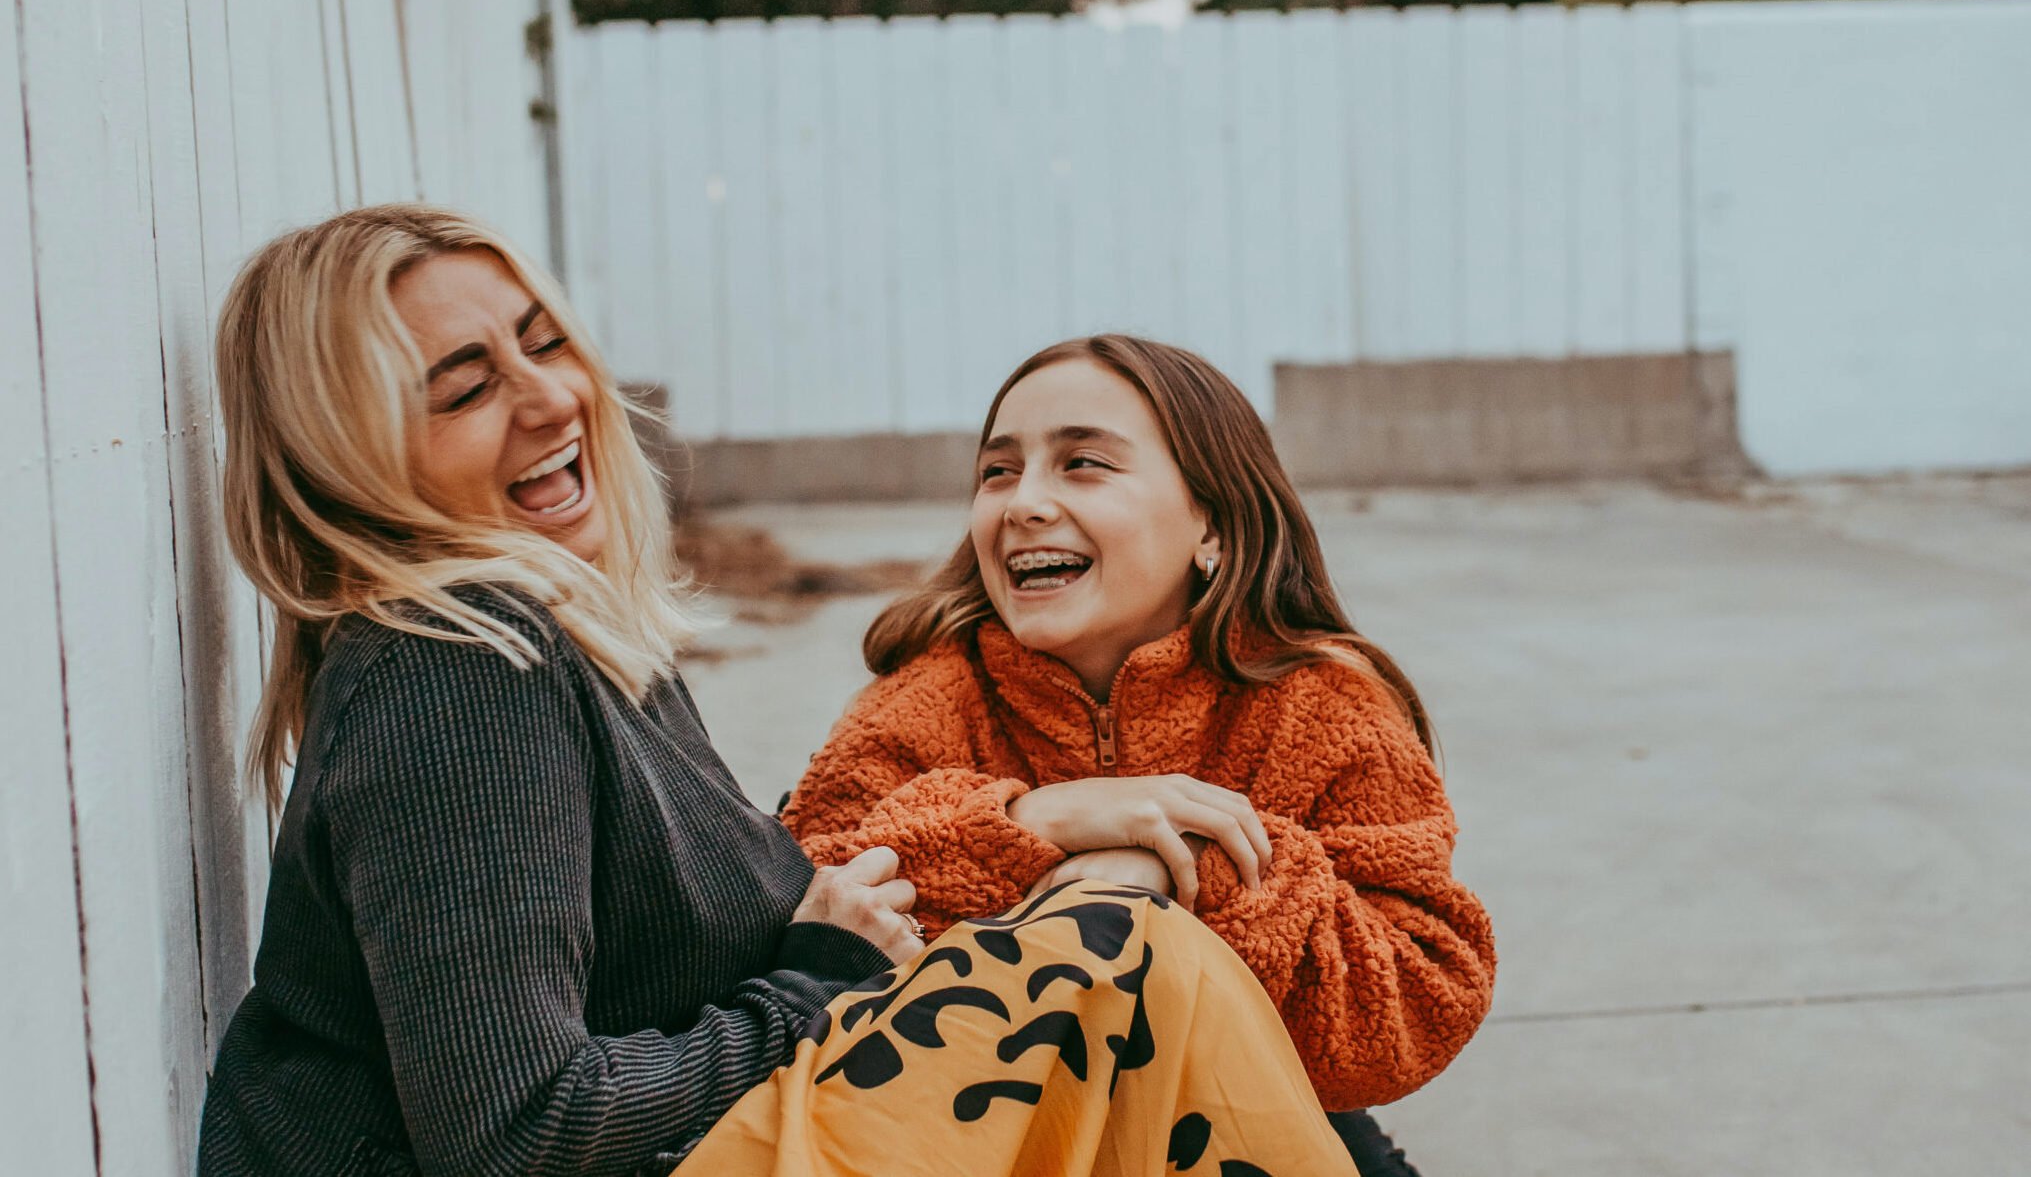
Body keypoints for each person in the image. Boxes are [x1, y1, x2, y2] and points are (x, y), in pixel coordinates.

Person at [195, 205, 1361, 1177]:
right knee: (1120, 952)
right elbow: (518, 1133)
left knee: (1134, 982)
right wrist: (818, 979)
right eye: (463, 391)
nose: (551, 400)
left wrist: (1017, 849)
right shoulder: (459, 667)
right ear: (351, 458)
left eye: (544, 345)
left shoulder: (576, 643)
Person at [783, 336, 1499, 1170]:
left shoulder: (1323, 705)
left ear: (1213, 524)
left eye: (1082, 462)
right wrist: (1026, 822)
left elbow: (1415, 997)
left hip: (1252, 1118)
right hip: (990, 1134)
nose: (1023, 503)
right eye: (998, 471)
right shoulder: (920, 700)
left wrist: (1174, 868)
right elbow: (808, 909)